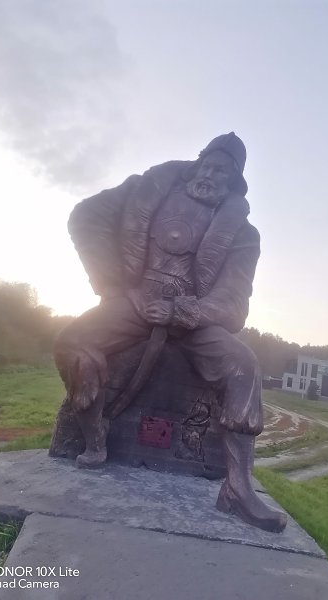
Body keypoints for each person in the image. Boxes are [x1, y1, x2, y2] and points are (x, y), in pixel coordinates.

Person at [54, 132, 287, 532]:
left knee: (243, 365)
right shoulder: (148, 189)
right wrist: (118, 285)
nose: (210, 174)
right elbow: (86, 216)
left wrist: (183, 310)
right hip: (133, 303)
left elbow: (234, 302)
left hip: (194, 318)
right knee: (73, 341)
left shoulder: (243, 234)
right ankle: (95, 433)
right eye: (207, 164)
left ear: (234, 182)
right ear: (197, 163)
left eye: (222, 171)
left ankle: (237, 488)